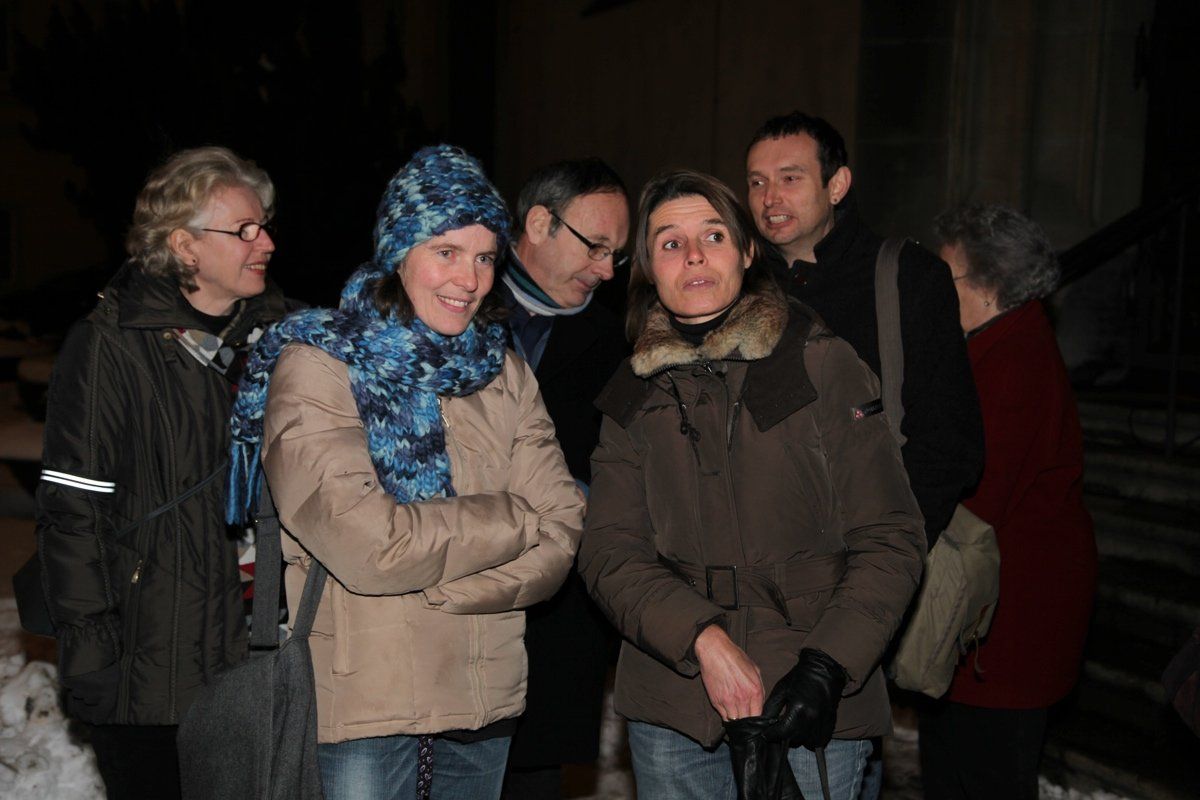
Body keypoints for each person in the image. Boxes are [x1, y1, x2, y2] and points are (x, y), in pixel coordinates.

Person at [228, 144, 584, 800]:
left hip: (484, 700)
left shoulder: (503, 371)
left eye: (485, 258)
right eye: (446, 252)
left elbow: (562, 529)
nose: (469, 279)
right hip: (368, 710)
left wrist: (455, 592)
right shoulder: (319, 366)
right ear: (399, 252)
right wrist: (513, 519)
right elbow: (371, 547)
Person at [577, 169, 926, 800]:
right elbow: (608, 550)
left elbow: (890, 536)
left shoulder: (821, 364)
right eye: (670, 242)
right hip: (674, 698)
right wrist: (701, 638)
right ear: (650, 269)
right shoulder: (632, 391)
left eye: (713, 235)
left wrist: (827, 665)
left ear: (746, 251)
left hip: (808, 695)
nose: (694, 255)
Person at [35, 146, 287, 798]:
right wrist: (92, 653)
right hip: (153, 663)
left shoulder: (284, 338)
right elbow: (74, 512)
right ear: (184, 244)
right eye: (244, 230)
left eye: (265, 226)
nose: (266, 243)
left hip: (264, 652)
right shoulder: (111, 345)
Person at [917, 204, 1097, 800]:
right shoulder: (998, 344)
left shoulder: (1014, 360)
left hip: (1011, 623)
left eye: (946, 277)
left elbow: (975, 491)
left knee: (987, 776)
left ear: (989, 286)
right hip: (989, 617)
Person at [745, 111, 983, 548]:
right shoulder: (736, 286)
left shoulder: (907, 277)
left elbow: (947, 440)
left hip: (873, 548)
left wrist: (888, 556)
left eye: (790, 178)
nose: (770, 198)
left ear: (836, 185)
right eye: (757, 182)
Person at [498, 158, 629, 799]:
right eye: (595, 247)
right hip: (438, 621)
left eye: (616, 255)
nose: (607, 271)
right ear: (539, 224)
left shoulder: (620, 345)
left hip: (552, 627)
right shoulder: (453, 303)